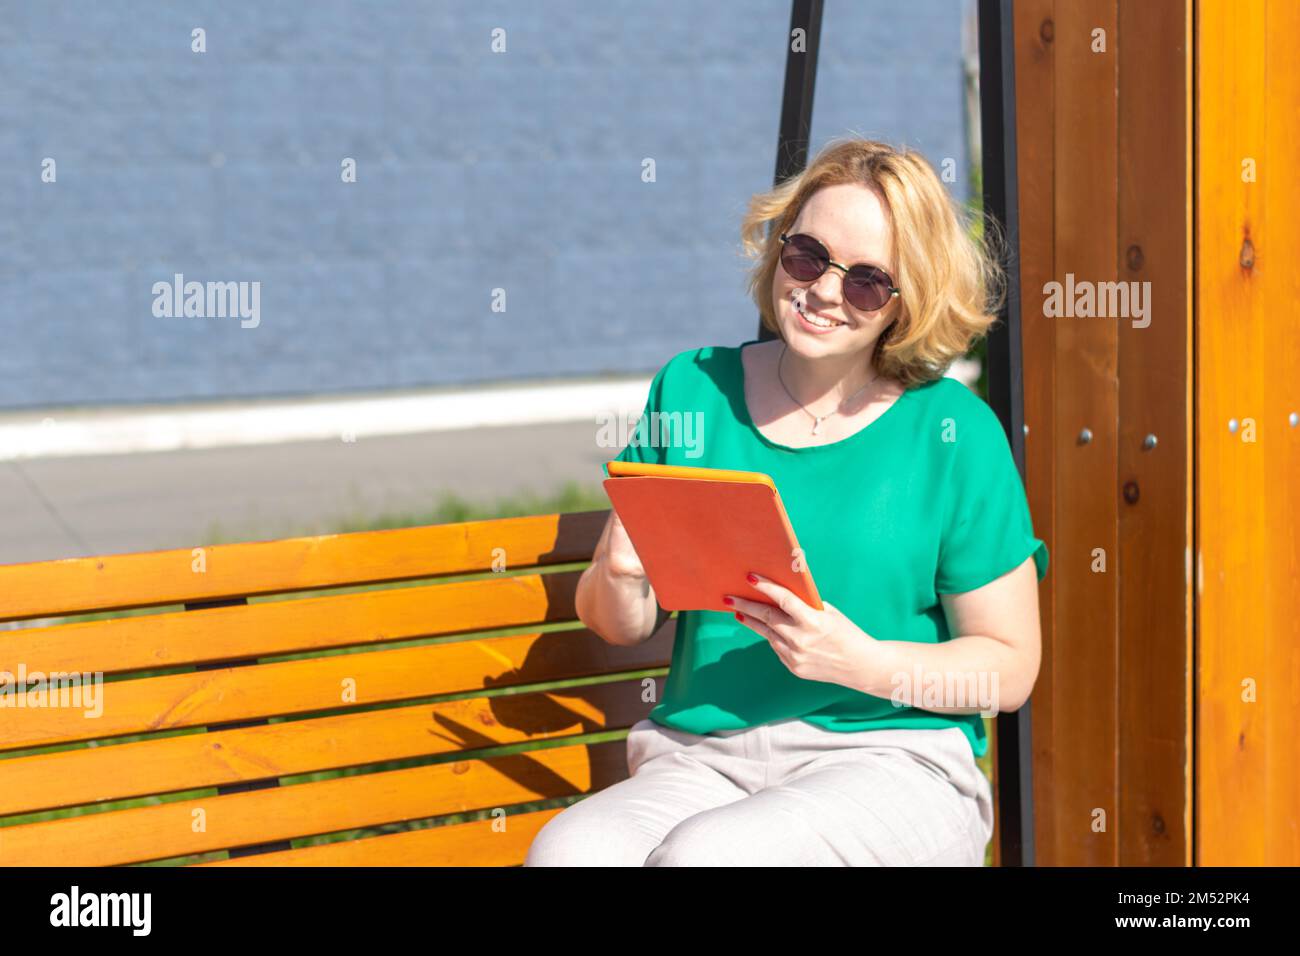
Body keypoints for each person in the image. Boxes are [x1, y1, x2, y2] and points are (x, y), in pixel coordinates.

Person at [524, 137, 1048, 867]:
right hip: (705, 759)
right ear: (779, 251)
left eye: (867, 280)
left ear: (909, 299)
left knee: (710, 858)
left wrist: (859, 662)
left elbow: (1009, 668)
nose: (825, 290)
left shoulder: (952, 432)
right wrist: (617, 577)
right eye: (807, 255)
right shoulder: (693, 392)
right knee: (569, 853)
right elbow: (622, 625)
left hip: (893, 760)